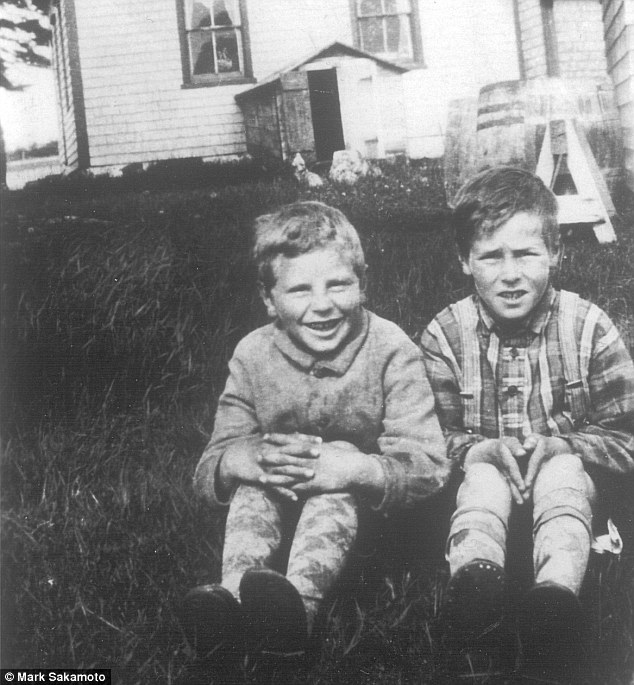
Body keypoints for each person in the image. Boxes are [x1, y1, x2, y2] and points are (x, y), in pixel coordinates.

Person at [185, 200, 449, 669]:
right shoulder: (252, 355)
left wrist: (355, 467)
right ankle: (232, 601)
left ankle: (296, 613)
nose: (322, 305)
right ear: (269, 300)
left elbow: (428, 466)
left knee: (336, 481)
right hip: (278, 497)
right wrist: (242, 459)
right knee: (252, 481)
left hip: (365, 519)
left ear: (362, 285)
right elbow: (209, 468)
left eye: (339, 284)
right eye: (300, 289)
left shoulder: (392, 349)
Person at [419, 167, 634, 679]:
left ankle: (555, 600)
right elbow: (424, 441)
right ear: (464, 261)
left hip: (568, 489)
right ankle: (476, 594)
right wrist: (475, 451)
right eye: (491, 256)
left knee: (560, 472)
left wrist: (565, 446)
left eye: (527, 253)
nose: (510, 273)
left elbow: (627, 435)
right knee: (485, 477)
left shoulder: (589, 327)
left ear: (556, 253)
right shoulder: (444, 338)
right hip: (478, 493)